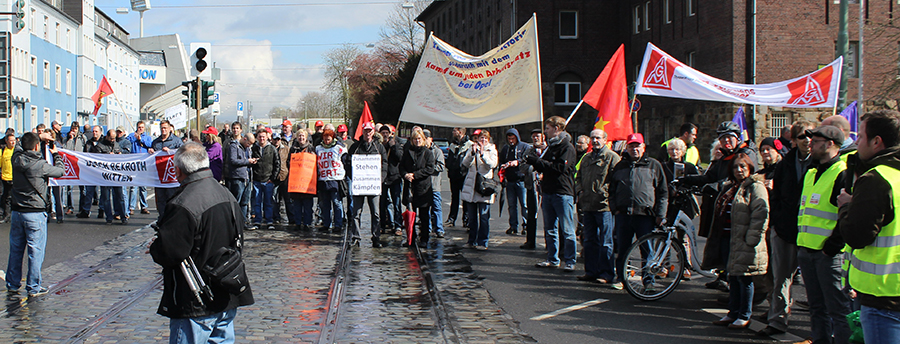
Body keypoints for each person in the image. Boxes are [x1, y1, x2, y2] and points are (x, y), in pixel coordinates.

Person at [149, 142, 254, 344]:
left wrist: (156, 247)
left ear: (177, 171)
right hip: (226, 289)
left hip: (196, 298)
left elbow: (171, 252)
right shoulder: (227, 194)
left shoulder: (183, 203)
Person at [838, 109, 900, 344]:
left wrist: (846, 207)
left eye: (861, 137)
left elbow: (856, 235)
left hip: (883, 298)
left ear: (877, 142)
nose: (856, 142)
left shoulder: (876, 179)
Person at [681, 121, 759, 291]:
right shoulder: (725, 156)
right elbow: (709, 177)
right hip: (725, 207)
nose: (726, 142)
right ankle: (723, 276)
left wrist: (716, 186)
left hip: (741, 208)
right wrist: (686, 179)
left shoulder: (745, 154)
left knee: (733, 249)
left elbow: (740, 179)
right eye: (722, 138)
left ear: (737, 138)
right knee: (721, 245)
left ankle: (735, 292)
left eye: (729, 138)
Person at [757, 119, 817, 336]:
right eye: (802, 136)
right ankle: (777, 321)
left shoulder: (822, 164)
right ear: (793, 140)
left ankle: (818, 331)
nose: (808, 140)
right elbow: (777, 197)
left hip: (812, 233)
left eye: (812, 135)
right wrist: (777, 224)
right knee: (781, 278)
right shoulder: (785, 164)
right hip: (785, 230)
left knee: (814, 284)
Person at [795, 125, 852, 344]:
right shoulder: (811, 172)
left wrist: (832, 247)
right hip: (807, 250)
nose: (811, 144)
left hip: (828, 255)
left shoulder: (842, 172)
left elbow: (846, 216)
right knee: (817, 308)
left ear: (830, 144)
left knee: (837, 309)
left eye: (816, 140)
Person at [711, 153, 769, 329]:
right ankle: (733, 312)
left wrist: (752, 238)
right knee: (733, 277)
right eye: (736, 167)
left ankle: (744, 314)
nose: (739, 170)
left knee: (745, 279)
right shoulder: (731, 187)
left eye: (742, 166)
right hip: (729, 238)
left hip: (745, 240)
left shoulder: (756, 187)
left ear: (750, 168)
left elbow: (761, 214)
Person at [5, 132, 64, 297]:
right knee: (35, 251)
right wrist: (56, 153)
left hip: (17, 212)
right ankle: (33, 286)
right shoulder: (41, 164)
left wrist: (36, 136)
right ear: (37, 146)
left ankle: (12, 283)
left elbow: (19, 145)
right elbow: (60, 171)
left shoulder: (16, 159)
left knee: (16, 250)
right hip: (35, 213)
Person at [609, 133, 668, 290]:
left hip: (646, 216)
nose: (634, 149)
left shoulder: (654, 165)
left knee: (647, 250)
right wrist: (615, 209)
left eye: (637, 146)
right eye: (631, 146)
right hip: (624, 215)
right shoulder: (620, 166)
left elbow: (662, 192)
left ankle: (649, 281)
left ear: (643, 147)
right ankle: (621, 278)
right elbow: (611, 191)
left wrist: (660, 214)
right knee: (623, 249)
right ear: (627, 147)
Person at [527, 116, 578, 271]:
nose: (545, 132)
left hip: (562, 192)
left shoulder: (567, 147)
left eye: (548, 128)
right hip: (548, 191)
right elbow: (545, 166)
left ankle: (570, 260)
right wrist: (537, 163)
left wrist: (536, 161)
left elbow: (559, 168)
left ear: (556, 129)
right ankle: (552, 258)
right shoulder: (550, 147)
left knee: (567, 229)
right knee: (550, 228)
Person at [574, 129, 620, 284]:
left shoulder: (612, 158)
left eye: (598, 138)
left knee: (606, 242)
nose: (595, 141)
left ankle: (606, 273)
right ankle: (591, 271)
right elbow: (578, 176)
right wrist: (579, 191)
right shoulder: (586, 158)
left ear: (605, 140)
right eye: (592, 138)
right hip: (588, 205)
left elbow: (617, 181)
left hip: (604, 206)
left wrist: (608, 196)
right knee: (589, 241)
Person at [345, 122, 387, 247]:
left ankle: (376, 237)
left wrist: (381, 179)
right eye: (365, 131)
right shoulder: (355, 147)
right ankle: (356, 236)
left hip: (374, 185)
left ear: (373, 132)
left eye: (370, 131)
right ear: (362, 132)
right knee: (356, 212)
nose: (368, 133)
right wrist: (354, 177)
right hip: (359, 185)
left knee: (376, 213)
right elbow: (348, 163)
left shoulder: (379, 147)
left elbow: (385, 164)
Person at [461, 129, 497, 250]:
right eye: (481, 138)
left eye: (485, 138)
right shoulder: (472, 148)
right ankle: (472, 240)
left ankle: (483, 242)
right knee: (472, 217)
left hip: (484, 186)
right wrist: (471, 153)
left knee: (483, 216)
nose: (482, 140)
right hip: (472, 186)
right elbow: (465, 163)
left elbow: (492, 165)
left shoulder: (492, 150)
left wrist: (483, 154)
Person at [149, 120, 184, 221]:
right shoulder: (155, 142)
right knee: (160, 199)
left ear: (169, 128)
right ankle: (162, 219)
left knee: (172, 198)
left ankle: (172, 219)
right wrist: (150, 151)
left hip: (171, 177)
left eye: (165, 128)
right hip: (159, 176)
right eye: (162, 128)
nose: (163, 130)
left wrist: (170, 152)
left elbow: (182, 154)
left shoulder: (177, 141)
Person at [660, 138, 700, 221]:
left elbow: (697, 183)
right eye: (672, 149)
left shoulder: (690, 167)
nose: (674, 152)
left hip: (685, 202)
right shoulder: (663, 166)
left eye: (677, 149)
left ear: (683, 151)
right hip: (669, 201)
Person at [225, 131, 258, 230]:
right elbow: (233, 160)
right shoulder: (234, 146)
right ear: (244, 139)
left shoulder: (247, 149)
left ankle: (243, 222)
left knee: (245, 202)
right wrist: (247, 161)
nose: (250, 146)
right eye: (249, 143)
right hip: (237, 177)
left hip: (247, 177)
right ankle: (233, 223)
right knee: (236, 201)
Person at [499, 128, 529, 235]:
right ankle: (513, 226)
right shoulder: (505, 148)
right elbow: (501, 161)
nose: (511, 141)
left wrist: (517, 162)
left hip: (521, 180)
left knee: (524, 204)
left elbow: (527, 159)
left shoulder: (524, 147)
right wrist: (503, 167)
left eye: (513, 138)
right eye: (509, 139)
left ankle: (526, 225)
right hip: (510, 180)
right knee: (512, 205)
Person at [316, 129, 346, 232]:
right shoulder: (318, 148)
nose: (326, 139)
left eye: (328, 138)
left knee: (337, 203)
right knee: (325, 204)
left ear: (333, 138)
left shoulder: (339, 148)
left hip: (335, 180)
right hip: (323, 180)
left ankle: (338, 224)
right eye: (325, 137)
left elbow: (346, 161)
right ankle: (326, 223)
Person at [250, 129, 280, 229]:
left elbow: (277, 164)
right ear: (257, 137)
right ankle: (257, 221)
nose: (262, 138)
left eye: (263, 136)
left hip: (268, 180)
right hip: (257, 179)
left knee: (268, 202)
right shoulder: (253, 148)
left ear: (267, 137)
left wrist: (273, 178)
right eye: (260, 136)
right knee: (257, 202)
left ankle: (269, 221)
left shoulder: (272, 149)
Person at [520, 129, 544, 250]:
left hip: (546, 187)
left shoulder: (548, 150)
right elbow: (522, 166)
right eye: (533, 136)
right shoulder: (529, 151)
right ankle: (530, 241)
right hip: (531, 186)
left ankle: (550, 244)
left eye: (538, 136)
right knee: (531, 214)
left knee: (549, 217)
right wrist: (533, 168)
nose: (535, 139)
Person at [288, 129, 316, 230]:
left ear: (306, 137)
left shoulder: (311, 148)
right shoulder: (293, 149)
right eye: (299, 136)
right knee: (297, 205)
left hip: (307, 182)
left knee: (308, 205)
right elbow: (288, 162)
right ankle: (298, 222)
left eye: (303, 136)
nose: (301, 138)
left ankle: (307, 223)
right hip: (296, 181)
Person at [380, 125, 404, 235]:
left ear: (390, 134)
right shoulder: (379, 146)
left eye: (386, 133)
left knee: (397, 203)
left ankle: (398, 225)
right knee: (382, 203)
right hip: (383, 178)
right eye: (382, 132)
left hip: (395, 177)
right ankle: (382, 225)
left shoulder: (396, 144)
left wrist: (393, 147)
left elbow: (400, 158)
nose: (385, 135)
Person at [127, 121, 152, 215]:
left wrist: (141, 139)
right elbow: (127, 141)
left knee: (143, 187)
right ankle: (131, 207)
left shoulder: (147, 137)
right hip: (134, 164)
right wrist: (135, 138)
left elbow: (150, 144)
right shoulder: (132, 135)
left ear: (144, 128)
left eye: (142, 127)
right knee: (133, 187)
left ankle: (144, 206)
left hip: (144, 164)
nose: (140, 129)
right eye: (139, 127)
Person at [425, 129, 446, 238]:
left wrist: (428, 168)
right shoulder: (422, 150)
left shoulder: (437, 151)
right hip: (424, 186)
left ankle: (439, 229)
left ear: (430, 139)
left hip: (434, 186)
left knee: (437, 208)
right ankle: (427, 229)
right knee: (425, 209)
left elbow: (441, 166)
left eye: (426, 138)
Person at [445, 127, 468, 227]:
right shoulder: (453, 144)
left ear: (460, 132)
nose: (453, 132)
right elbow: (450, 159)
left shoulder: (469, 145)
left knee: (466, 198)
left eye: (454, 130)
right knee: (454, 197)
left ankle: (466, 220)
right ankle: (452, 218)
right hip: (453, 175)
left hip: (464, 175)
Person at [0, 135, 15, 223]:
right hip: (5, 177)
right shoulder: (3, 151)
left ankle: (14, 215)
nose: (13, 142)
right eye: (11, 140)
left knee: (14, 198)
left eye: (14, 140)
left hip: (15, 177)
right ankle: (6, 215)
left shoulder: (17, 151)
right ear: (6, 141)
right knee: (5, 198)